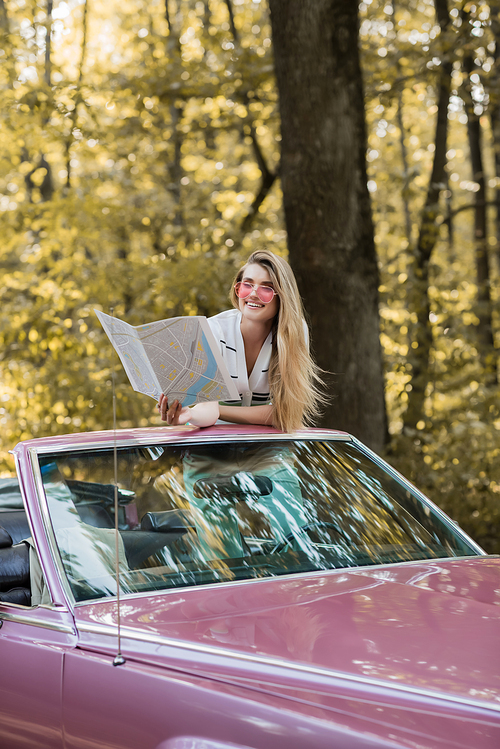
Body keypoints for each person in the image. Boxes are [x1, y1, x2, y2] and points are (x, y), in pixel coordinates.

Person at [157, 249, 325, 431]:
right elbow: (206, 409)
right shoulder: (213, 332)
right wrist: (190, 414)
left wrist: (219, 411)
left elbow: (288, 413)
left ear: (282, 297)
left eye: (266, 288)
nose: (253, 294)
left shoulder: (294, 331)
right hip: (213, 445)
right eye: (247, 285)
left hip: (268, 449)